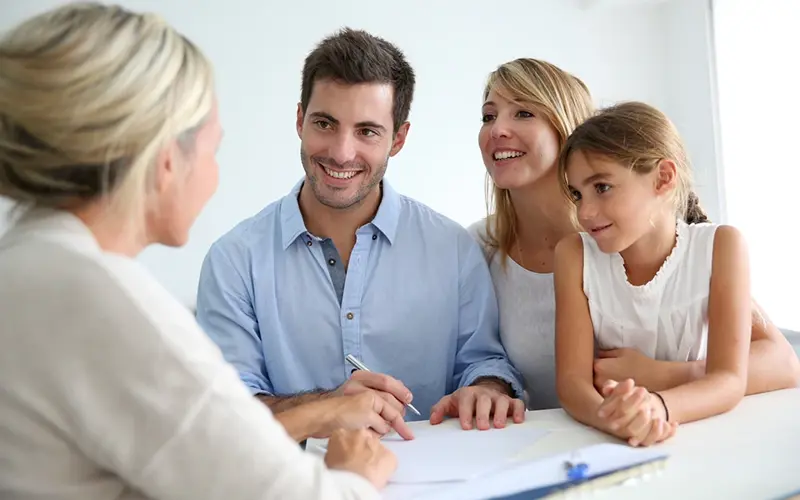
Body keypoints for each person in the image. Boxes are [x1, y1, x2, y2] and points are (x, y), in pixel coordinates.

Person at [0, 3, 397, 498]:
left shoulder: (28, 264)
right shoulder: (102, 303)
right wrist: (356, 476)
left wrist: (321, 412)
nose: (213, 173)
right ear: (167, 160)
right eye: (212, 149)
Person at [196, 28, 526, 433]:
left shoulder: (453, 248)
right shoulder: (233, 260)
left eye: (367, 131)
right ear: (300, 120)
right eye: (324, 123)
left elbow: (483, 362)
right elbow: (226, 409)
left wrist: (487, 388)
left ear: (398, 139)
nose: (341, 152)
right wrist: (327, 406)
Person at [469, 58, 799, 411]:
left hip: (653, 435)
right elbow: (474, 359)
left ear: (567, 128)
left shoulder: (634, 235)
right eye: (488, 116)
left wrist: (667, 377)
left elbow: (780, 361)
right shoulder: (479, 246)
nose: (497, 130)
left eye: (523, 113)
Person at [553, 101, 752, 447]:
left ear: (663, 178)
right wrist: (617, 421)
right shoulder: (573, 255)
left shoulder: (722, 246)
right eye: (577, 194)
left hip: (694, 436)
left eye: (601, 187)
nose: (584, 212)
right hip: (612, 442)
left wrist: (657, 408)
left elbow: (729, 379)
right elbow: (572, 383)